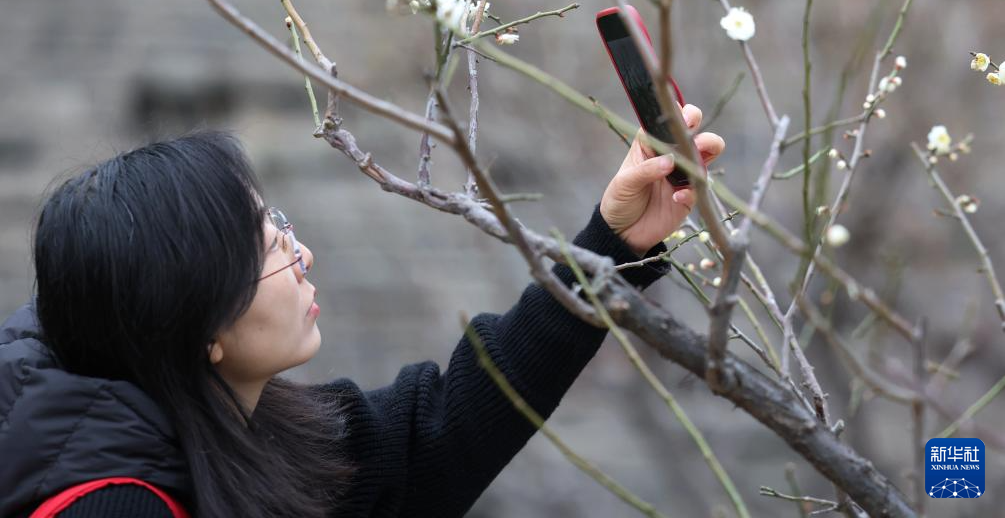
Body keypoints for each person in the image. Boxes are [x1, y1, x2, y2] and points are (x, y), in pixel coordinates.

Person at [0, 106, 724, 518]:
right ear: (199, 323)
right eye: (270, 250)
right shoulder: (110, 508)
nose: (303, 253)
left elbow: (444, 430)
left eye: (280, 223)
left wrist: (613, 243)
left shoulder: (240, 433)